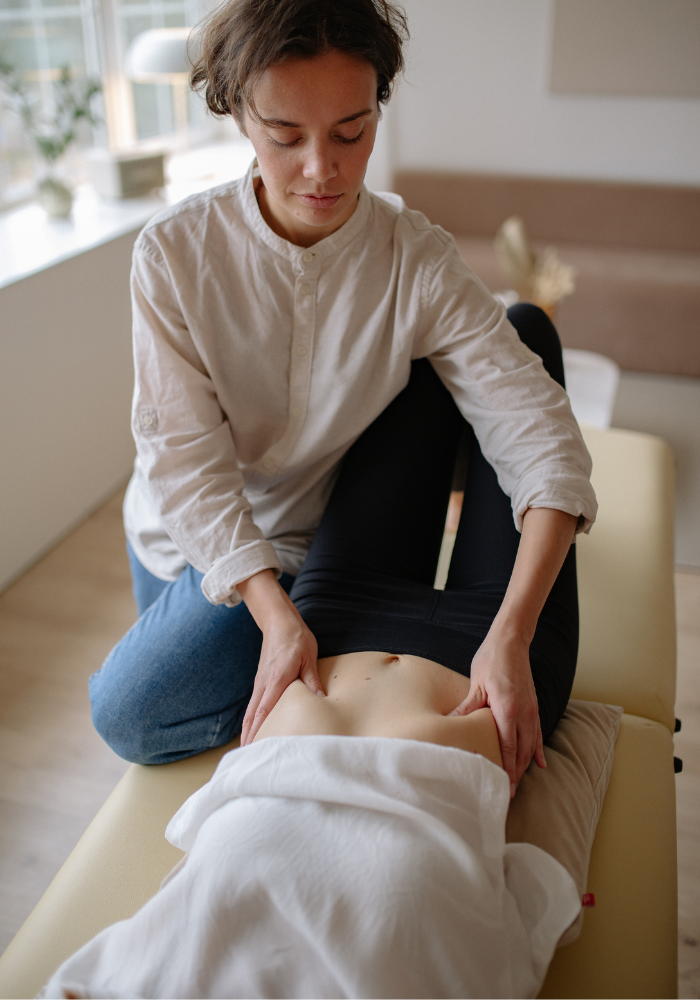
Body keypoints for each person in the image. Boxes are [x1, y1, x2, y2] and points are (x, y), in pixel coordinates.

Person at [89, 0, 597, 799]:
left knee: (524, 329)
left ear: (377, 111)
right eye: (285, 137)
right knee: (129, 716)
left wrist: (511, 630)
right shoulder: (175, 256)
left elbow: (541, 433)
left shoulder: (412, 259)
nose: (321, 170)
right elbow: (186, 465)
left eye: (351, 133)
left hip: (324, 544)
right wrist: (271, 613)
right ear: (238, 114)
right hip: (196, 541)